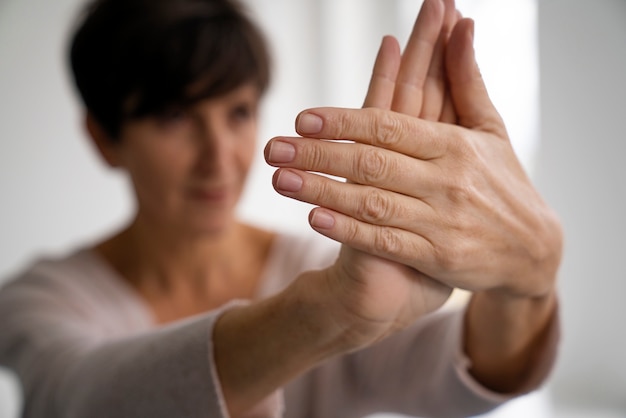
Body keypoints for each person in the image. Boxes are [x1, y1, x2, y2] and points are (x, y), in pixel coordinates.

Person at [0, 0, 562, 417]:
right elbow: (81, 397)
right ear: (104, 137)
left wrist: (526, 285)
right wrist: (326, 314)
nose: (218, 158)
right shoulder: (42, 299)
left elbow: (458, 372)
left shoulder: (325, 265)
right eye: (173, 117)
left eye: (238, 113)